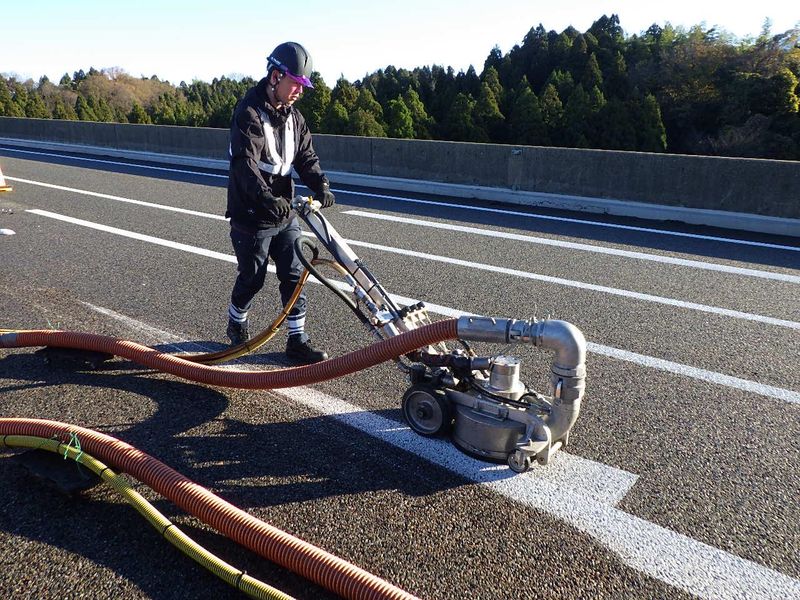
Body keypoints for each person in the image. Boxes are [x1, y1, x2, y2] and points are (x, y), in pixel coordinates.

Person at [225, 41, 335, 364]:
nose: (300, 91)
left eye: (303, 86)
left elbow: (305, 157)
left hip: (283, 211)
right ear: (275, 77)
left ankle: (297, 340)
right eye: (296, 83)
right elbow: (245, 165)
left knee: (294, 273)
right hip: (252, 213)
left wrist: (321, 184)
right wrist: (265, 198)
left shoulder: (294, 118)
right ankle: (237, 322)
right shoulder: (248, 114)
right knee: (253, 277)